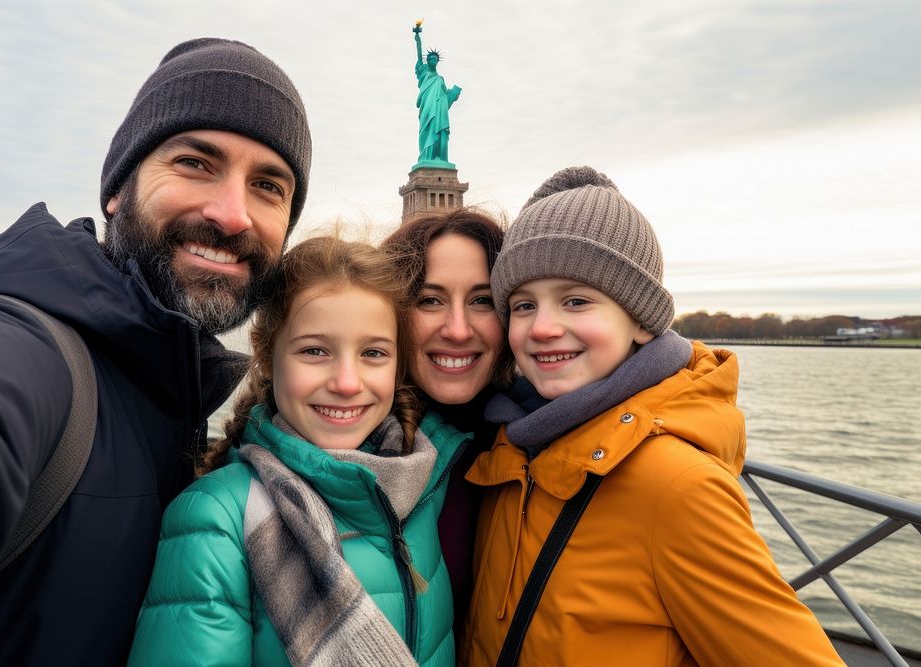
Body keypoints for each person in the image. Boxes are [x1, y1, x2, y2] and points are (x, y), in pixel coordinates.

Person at [0, 38, 311, 665]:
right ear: (116, 190)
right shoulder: (19, 354)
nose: (233, 214)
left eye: (269, 185)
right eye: (195, 163)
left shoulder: (172, 397)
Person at [461, 167, 845, 666]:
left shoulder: (677, 486)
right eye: (524, 305)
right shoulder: (513, 448)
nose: (543, 327)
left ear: (641, 319)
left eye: (576, 301)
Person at [127, 236, 469, 666]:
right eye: (315, 351)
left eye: (373, 353)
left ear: (398, 364)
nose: (347, 382)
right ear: (267, 357)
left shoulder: (423, 485)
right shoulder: (215, 516)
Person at [382, 207, 511, 631]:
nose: (458, 329)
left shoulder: (547, 446)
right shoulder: (335, 445)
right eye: (430, 300)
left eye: (482, 301)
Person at [412, 23, 461, 165]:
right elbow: (419, 54)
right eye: (430, 58)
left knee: (440, 131)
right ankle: (426, 157)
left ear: (437, 62)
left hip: (439, 110)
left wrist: (453, 94)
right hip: (427, 107)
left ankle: (439, 158)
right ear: (428, 61)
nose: (433, 60)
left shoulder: (440, 80)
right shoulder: (424, 72)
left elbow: (445, 98)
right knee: (427, 130)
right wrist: (417, 38)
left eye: (435, 59)